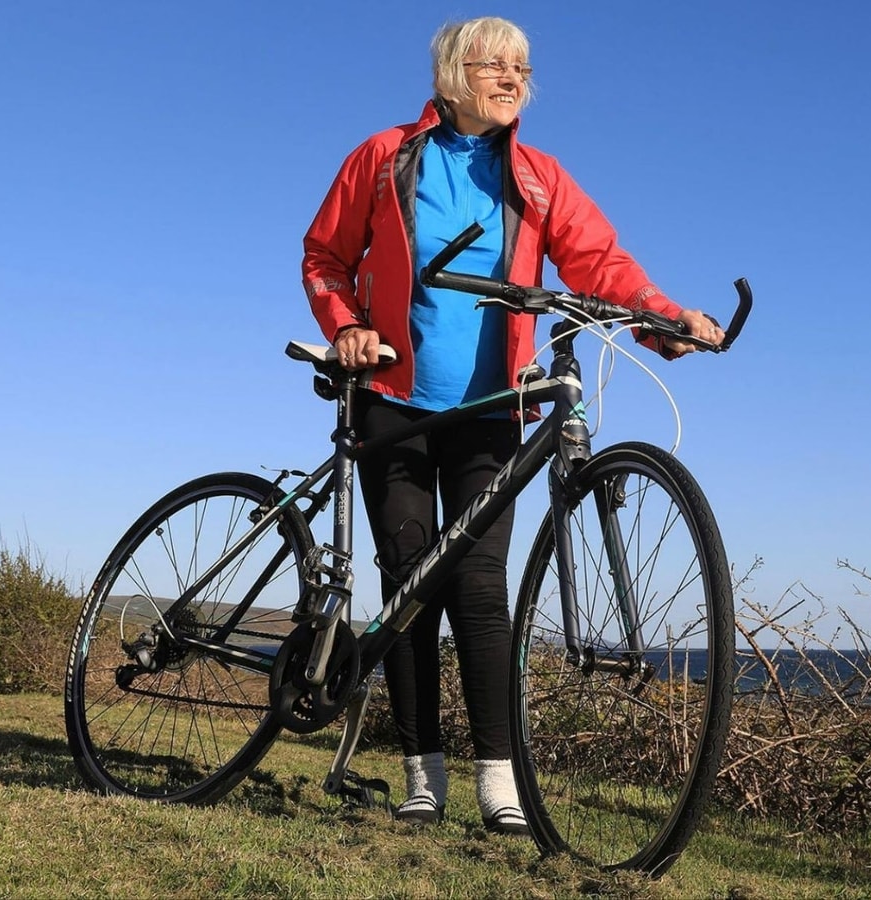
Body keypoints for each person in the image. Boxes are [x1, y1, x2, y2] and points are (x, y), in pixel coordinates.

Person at [300, 15, 724, 835]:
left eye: (523, 66)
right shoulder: (385, 158)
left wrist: (663, 317)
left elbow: (599, 262)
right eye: (495, 63)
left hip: (493, 406)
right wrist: (346, 322)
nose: (513, 77)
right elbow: (324, 255)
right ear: (454, 71)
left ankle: (500, 780)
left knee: (482, 590)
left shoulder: (536, 176)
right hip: (394, 400)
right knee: (411, 583)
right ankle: (424, 776)